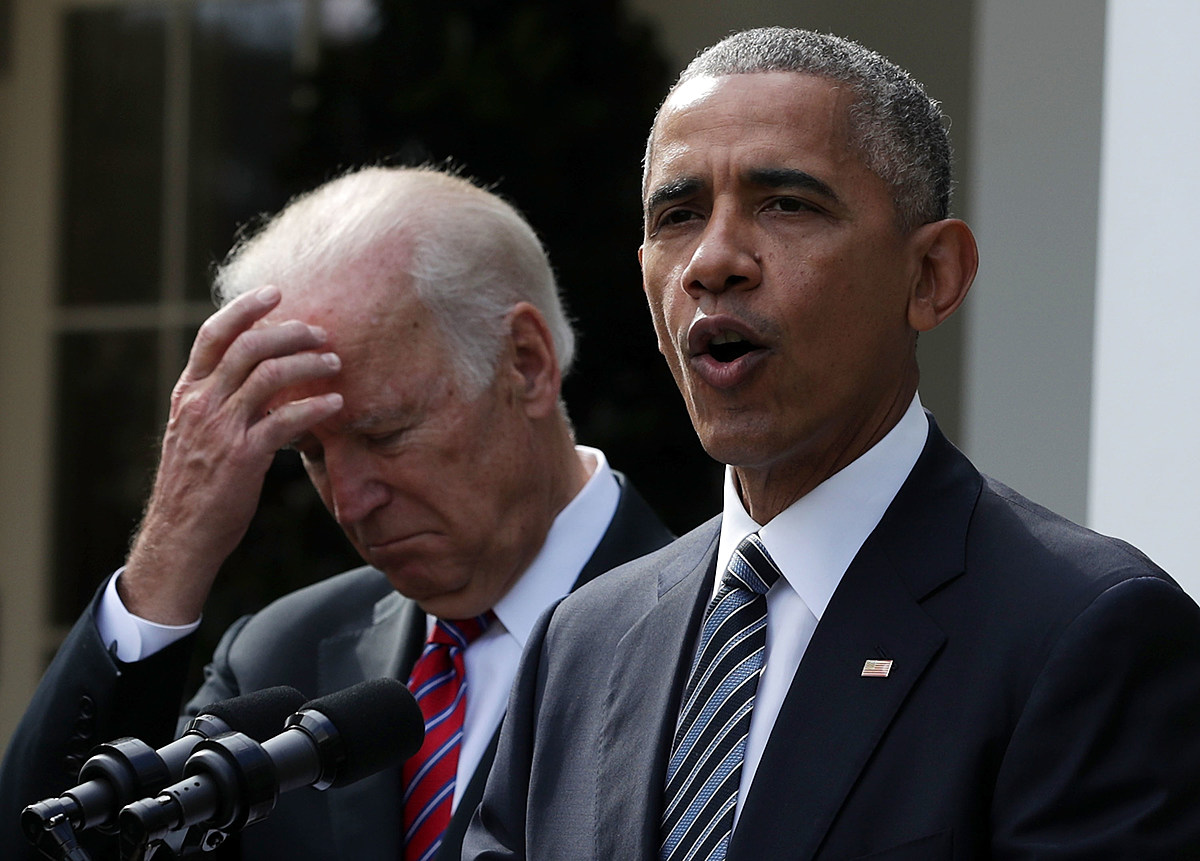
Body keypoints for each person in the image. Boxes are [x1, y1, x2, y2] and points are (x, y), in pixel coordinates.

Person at [463, 27, 1200, 860]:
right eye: (678, 215)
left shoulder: (1084, 632)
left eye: (787, 204)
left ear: (932, 277)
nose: (713, 261)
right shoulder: (581, 644)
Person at [0, 166, 674, 861]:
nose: (351, 502)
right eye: (310, 453)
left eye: (384, 433)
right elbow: (50, 842)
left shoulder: (713, 640)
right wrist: (175, 544)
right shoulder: (277, 657)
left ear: (526, 364)